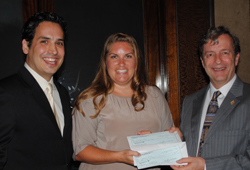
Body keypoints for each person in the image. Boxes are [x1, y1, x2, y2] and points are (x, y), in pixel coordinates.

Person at [72, 33, 174, 170]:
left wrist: (173, 138)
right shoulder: (90, 100)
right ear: (105, 62)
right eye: (114, 56)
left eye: (128, 56)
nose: (121, 63)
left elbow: (170, 147)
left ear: (136, 61)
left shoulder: (154, 95)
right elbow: (81, 152)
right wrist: (120, 156)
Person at [170, 26, 250, 170]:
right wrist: (175, 140)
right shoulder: (190, 101)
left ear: (236, 58)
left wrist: (206, 165)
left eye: (224, 53)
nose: (218, 61)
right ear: (202, 62)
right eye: (210, 54)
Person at [0, 12, 73, 170]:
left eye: (59, 43)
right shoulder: (6, 92)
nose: (53, 50)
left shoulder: (62, 93)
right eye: (44, 41)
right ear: (26, 46)